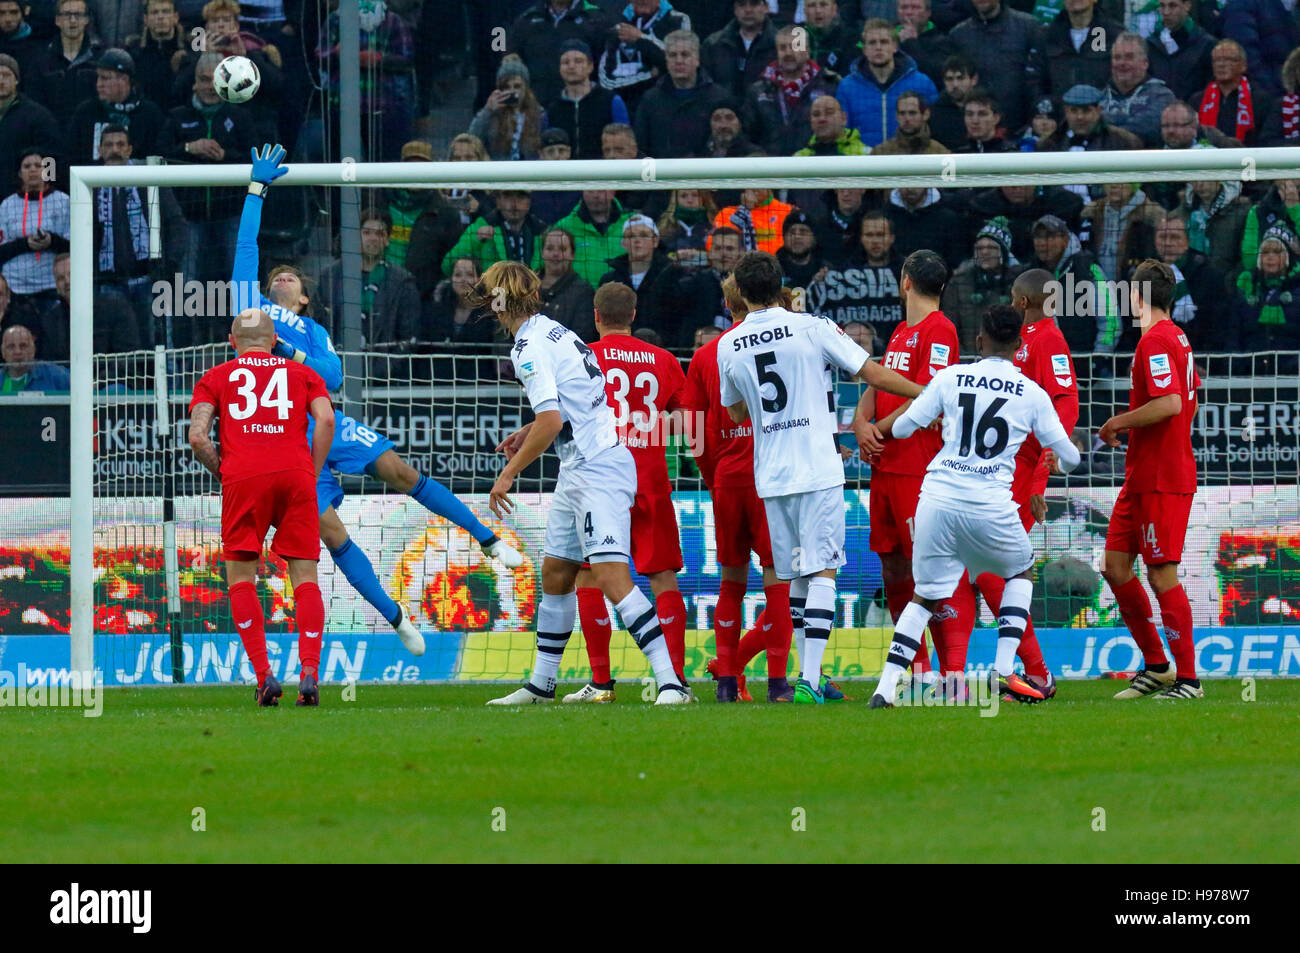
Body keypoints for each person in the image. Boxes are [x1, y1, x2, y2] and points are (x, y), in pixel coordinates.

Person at [234, 144, 523, 658]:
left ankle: (485, 536)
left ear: (302, 296)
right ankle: (394, 616)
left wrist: (289, 349)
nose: (281, 276)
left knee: (400, 471)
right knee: (332, 535)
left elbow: (333, 373)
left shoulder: (312, 330)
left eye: (291, 276)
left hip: (324, 422)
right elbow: (245, 252)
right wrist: (256, 191)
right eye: (274, 275)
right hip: (283, 443)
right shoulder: (250, 310)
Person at [717, 250, 923, 703]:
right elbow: (869, 371)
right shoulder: (812, 326)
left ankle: (805, 675)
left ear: (742, 293)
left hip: (771, 475)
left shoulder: (727, 344)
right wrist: (925, 391)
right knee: (824, 571)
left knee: (796, 579)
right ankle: (810, 680)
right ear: (780, 286)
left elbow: (734, 409)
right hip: (816, 467)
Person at [485, 261, 690, 705]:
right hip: (582, 463)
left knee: (612, 574)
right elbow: (568, 403)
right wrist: (530, 429)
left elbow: (552, 418)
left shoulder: (527, 346)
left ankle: (671, 682)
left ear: (499, 301)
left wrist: (508, 472)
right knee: (557, 571)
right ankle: (542, 685)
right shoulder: (553, 329)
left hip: (599, 467)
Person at [864, 304, 1081, 707]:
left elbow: (908, 424)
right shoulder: (1031, 394)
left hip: (937, 497)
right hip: (989, 504)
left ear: (978, 341)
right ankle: (1002, 668)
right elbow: (1069, 455)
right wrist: (1059, 460)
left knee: (924, 596)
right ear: (1018, 346)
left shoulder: (950, 378)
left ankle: (885, 688)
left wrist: (886, 428)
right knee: (1020, 573)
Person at [187, 307, 335, 707]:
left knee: (241, 578)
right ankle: (309, 674)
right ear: (274, 341)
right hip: (296, 477)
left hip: (243, 479)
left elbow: (198, 438)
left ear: (232, 343)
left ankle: (264, 677)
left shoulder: (216, 377)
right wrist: (311, 471)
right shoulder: (304, 374)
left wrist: (226, 473)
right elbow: (325, 420)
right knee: (304, 576)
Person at [564, 282, 689, 701]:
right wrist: (646, 429)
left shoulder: (582, 357)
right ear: (634, 315)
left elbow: (559, 414)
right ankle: (674, 682)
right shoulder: (664, 360)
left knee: (590, 573)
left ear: (595, 316)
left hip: (599, 476)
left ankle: (601, 682)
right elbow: (686, 421)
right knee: (662, 576)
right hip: (649, 475)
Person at [851, 250, 963, 684]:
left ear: (905, 282)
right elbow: (880, 379)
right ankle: (915, 667)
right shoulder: (901, 330)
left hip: (918, 467)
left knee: (928, 571)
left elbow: (930, 395)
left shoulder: (941, 330)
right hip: (886, 469)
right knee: (893, 568)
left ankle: (951, 669)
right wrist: (861, 421)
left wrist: (874, 429)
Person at [1098, 259, 1203, 699]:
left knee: (1161, 574)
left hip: (1162, 475)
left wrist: (1119, 422)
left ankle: (1189, 679)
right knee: (1115, 566)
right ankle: (1156, 666)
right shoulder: (1172, 336)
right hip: (1143, 474)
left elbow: (1171, 403)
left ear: (1136, 296)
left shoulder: (1157, 340)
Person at [690, 275, 796, 702]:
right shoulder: (784, 342)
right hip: (773, 477)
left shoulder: (705, 355)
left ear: (726, 303)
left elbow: (695, 431)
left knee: (731, 584)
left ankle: (728, 681)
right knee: (779, 584)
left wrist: (713, 477)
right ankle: (777, 683)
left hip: (728, 480)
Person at [320, 208, 420, 352]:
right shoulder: (329, 277)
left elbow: (408, 338)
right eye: (366, 233)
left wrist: (383, 371)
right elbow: (319, 326)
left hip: (386, 372)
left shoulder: (403, 282)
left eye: (379, 233)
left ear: (387, 240)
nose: (373, 238)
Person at [835, 18, 937, 149]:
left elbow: (935, 130)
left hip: (910, 164)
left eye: (884, 42)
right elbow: (843, 134)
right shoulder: (847, 88)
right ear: (864, 49)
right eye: (872, 43)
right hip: (863, 165)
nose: (878, 47)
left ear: (895, 46)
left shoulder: (922, 84)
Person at [632, 28, 731, 159]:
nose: (679, 61)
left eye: (685, 55)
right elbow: (641, 147)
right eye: (673, 55)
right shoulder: (650, 100)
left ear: (697, 59)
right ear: (666, 60)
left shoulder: (719, 98)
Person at [745, 23, 839, 156]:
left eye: (795, 46)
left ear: (807, 51)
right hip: (771, 171)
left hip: (814, 167)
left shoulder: (828, 86)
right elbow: (746, 136)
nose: (788, 53)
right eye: (783, 48)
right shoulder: (758, 91)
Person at [949, 0, 1043, 131]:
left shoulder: (1029, 27)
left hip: (1020, 127)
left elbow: (1039, 79)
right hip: (976, 129)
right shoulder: (958, 35)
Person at [597, 213, 690, 346]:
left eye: (643, 235)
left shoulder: (675, 275)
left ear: (655, 241)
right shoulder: (610, 280)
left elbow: (680, 321)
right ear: (623, 243)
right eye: (630, 236)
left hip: (663, 351)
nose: (637, 240)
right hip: (619, 352)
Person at [66, 48, 167, 168]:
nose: (99, 84)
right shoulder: (85, 112)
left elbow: (160, 159)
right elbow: (70, 158)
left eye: (105, 78)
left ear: (124, 79)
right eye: (98, 77)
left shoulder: (150, 114)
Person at [0, 148, 69, 315]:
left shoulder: (63, 201)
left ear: (46, 170)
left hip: (51, 286)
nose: (32, 170)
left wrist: (51, 241)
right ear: (19, 173)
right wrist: (25, 244)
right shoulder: (7, 205)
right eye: (27, 166)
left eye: (38, 165)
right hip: (15, 287)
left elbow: (75, 246)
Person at [595, 0, 692, 116]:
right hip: (626, 112)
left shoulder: (678, 20)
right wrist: (648, 76)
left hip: (667, 109)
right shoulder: (616, 27)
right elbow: (606, 82)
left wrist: (641, 40)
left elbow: (681, 63)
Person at [942, 216, 1024, 350]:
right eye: (979, 248)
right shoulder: (958, 282)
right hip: (966, 361)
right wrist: (963, 359)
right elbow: (948, 326)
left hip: (1008, 360)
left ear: (1003, 252)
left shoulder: (1019, 283)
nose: (985, 252)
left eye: (992, 247)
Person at [442, 189, 547, 278]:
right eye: (507, 196)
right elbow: (448, 266)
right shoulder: (481, 225)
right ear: (498, 201)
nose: (514, 203)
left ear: (529, 201)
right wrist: (476, 240)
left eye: (521, 196)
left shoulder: (541, 230)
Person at [0, 53, 61, 203]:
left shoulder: (38, 116)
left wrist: (48, 189)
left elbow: (52, 156)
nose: (0, 81)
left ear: (16, 80)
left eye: (6, 75)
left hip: (23, 201)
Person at [1099, 32, 1178, 148]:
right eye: (1117, 58)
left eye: (1129, 57)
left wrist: (1102, 126)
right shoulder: (1099, 97)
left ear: (1145, 63)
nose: (1122, 63)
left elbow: (1145, 131)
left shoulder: (1162, 96)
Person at [1195, 39, 1277, 148]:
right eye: (1216, 60)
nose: (1221, 65)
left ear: (1243, 65)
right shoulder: (1197, 100)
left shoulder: (1260, 100)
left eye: (1229, 60)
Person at [28, 0, 100, 119]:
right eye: (66, 15)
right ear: (57, 20)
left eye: (78, 15)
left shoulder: (99, 60)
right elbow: (34, 107)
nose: (72, 20)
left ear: (86, 20)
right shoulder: (40, 63)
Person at [1039, 0, 1124, 97]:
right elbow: (1035, 78)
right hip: (1059, 110)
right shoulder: (1049, 35)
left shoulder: (1113, 35)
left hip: (1101, 109)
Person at [468, 59, 547, 161]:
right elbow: (472, 141)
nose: (512, 91)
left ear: (526, 89)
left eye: (517, 86)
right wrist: (487, 111)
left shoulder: (539, 115)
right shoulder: (492, 115)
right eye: (506, 87)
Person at [703, 0, 777, 99]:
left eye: (754, 4)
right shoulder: (713, 45)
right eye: (742, 5)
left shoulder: (781, 46)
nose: (748, 10)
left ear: (766, 7)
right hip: (723, 110)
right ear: (735, 10)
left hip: (765, 112)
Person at [1146, 0, 1216, 102]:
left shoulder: (1206, 45)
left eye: (1172, 6)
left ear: (1187, 6)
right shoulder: (1151, 45)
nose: (1166, 12)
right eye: (1162, 6)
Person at [537, 226, 596, 342]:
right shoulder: (525, 287)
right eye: (549, 248)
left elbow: (583, 336)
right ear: (542, 253)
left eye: (562, 249)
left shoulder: (584, 292)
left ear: (572, 255)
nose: (555, 254)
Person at [423, 255, 495, 346]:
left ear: (479, 280)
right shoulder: (435, 311)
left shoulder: (490, 314)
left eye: (470, 274)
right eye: (458, 275)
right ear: (451, 279)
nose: (463, 280)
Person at [870, 89, 949, 155]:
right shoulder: (880, 153)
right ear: (896, 116)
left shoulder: (940, 152)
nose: (907, 118)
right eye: (902, 113)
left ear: (925, 114)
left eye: (912, 113)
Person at [0, 322, 68, 392]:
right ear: (3, 352)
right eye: (11, 346)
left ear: (33, 350)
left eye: (23, 346)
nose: (17, 352)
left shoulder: (56, 375)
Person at [793, 94, 867, 156]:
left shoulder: (865, 154)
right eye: (816, 114)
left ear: (844, 118)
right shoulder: (799, 159)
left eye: (829, 112)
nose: (822, 119)